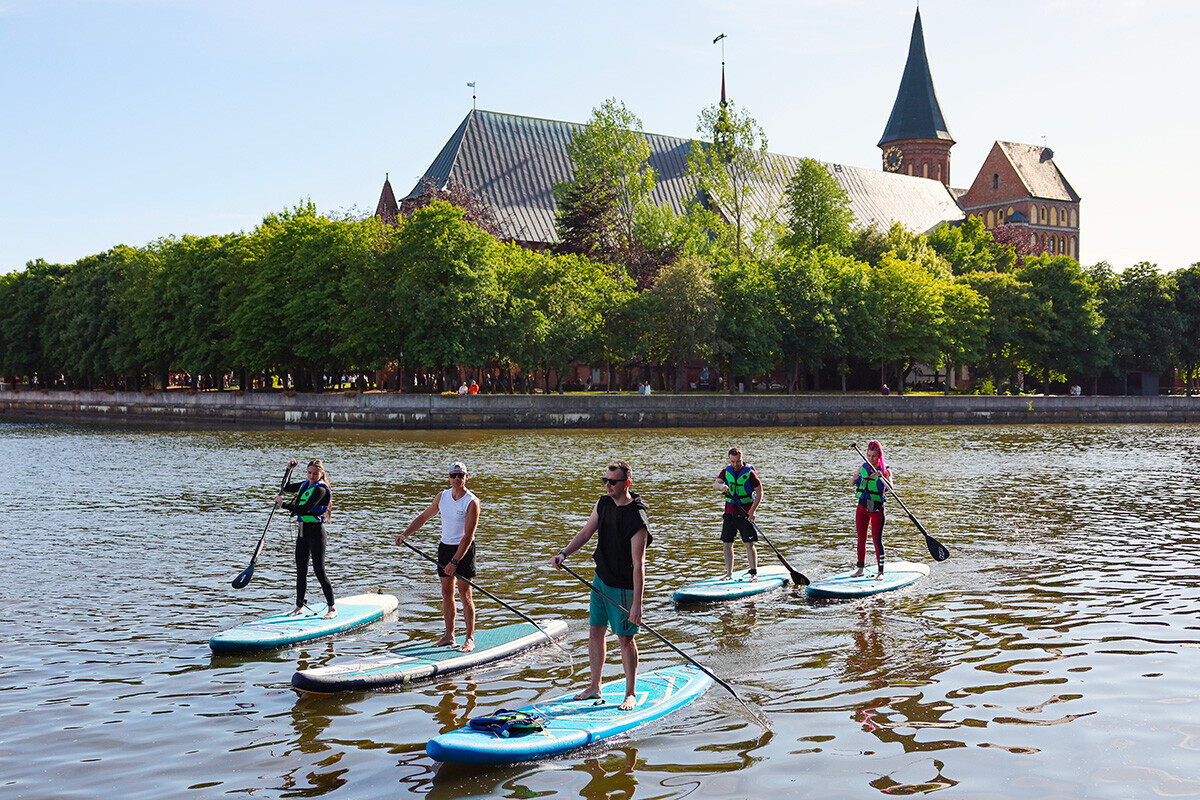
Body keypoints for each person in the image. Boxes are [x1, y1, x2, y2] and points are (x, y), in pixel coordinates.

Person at [551, 461, 651, 711]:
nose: (607, 485)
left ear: (626, 483)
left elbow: (639, 564)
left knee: (625, 639)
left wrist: (637, 605)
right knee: (596, 632)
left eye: (612, 482)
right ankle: (596, 685)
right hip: (600, 580)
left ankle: (631, 693)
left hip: (624, 587)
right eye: (604, 481)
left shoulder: (637, 518)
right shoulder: (602, 503)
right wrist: (564, 553)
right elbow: (586, 533)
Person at [395, 461, 480, 652]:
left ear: (466, 477)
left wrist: (455, 561)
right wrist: (405, 534)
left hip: (463, 551)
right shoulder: (442, 497)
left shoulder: (472, 502)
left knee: (465, 593)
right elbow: (424, 517)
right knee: (446, 592)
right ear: (449, 478)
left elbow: (468, 536)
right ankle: (449, 636)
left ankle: (469, 638)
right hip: (445, 548)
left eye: (461, 475)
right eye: (453, 475)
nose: (457, 478)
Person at [275, 459, 336, 619]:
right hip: (302, 532)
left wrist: (284, 505)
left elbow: (305, 508)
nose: (312, 476)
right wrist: (288, 470)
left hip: (316, 533)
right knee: (301, 570)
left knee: (319, 571)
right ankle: (299, 606)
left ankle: (332, 608)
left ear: (321, 473)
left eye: (315, 473)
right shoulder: (305, 484)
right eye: (309, 473)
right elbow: (286, 487)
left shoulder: (321, 489)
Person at [712, 447, 762, 581]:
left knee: (748, 543)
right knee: (727, 544)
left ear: (742, 459)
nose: (735, 464)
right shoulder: (726, 471)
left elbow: (759, 492)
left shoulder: (750, 473)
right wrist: (721, 487)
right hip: (729, 513)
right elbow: (715, 485)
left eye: (738, 461)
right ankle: (729, 574)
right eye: (733, 462)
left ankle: (754, 574)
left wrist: (753, 511)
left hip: (745, 513)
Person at [852, 440, 893, 580]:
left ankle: (881, 572)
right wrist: (854, 478)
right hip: (862, 506)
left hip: (876, 509)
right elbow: (851, 483)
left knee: (877, 540)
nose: (870, 459)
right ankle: (860, 569)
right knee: (861, 539)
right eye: (869, 455)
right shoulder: (862, 467)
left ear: (879, 456)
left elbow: (891, 488)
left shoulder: (885, 470)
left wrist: (883, 478)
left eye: (874, 456)